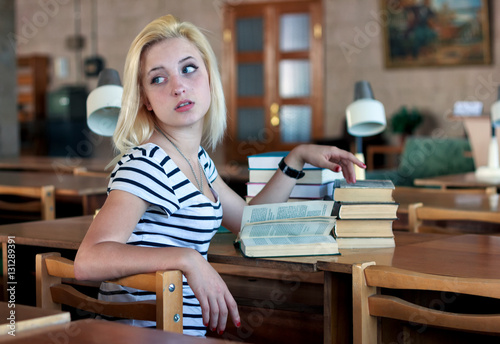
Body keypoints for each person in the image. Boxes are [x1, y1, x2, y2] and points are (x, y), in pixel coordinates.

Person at [74, 14, 365, 337]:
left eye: (189, 69)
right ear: (145, 99)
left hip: (179, 333)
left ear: (209, 76)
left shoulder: (197, 159)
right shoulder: (146, 163)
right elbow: (88, 260)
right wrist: (188, 259)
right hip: (143, 336)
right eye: (158, 79)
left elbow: (250, 222)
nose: (178, 86)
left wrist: (295, 159)